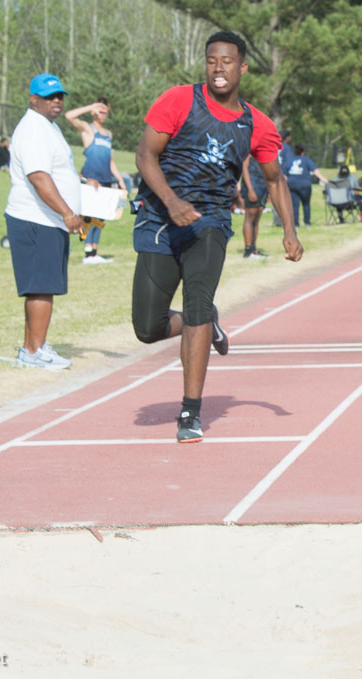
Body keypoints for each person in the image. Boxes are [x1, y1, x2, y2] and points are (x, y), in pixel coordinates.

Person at [131, 31, 303, 444]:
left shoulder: (255, 123)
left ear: (242, 68)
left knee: (195, 306)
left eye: (227, 61)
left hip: (209, 223)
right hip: (160, 219)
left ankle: (190, 411)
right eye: (212, 61)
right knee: (147, 327)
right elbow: (144, 155)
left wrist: (290, 233)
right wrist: (171, 202)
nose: (219, 68)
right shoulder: (178, 100)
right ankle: (209, 323)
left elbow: (274, 179)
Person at [4, 73, 83, 370]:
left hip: (47, 220)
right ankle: (35, 352)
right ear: (33, 99)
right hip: (37, 218)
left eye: (60, 96)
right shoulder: (33, 129)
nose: (57, 102)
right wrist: (67, 212)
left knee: (42, 286)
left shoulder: (47, 127)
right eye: (50, 97)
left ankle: (31, 348)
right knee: (41, 286)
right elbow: (38, 176)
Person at [67, 97, 127, 264]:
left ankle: (94, 252)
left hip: (106, 180)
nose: (101, 115)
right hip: (90, 180)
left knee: (101, 218)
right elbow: (69, 116)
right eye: (99, 111)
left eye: (104, 112)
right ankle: (88, 254)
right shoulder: (88, 129)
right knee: (89, 217)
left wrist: (120, 180)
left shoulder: (108, 134)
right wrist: (89, 107)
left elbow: (111, 161)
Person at [283, 144, 329, 226]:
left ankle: (296, 224)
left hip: (292, 185)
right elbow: (314, 170)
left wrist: (285, 184)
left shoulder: (290, 160)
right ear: (302, 152)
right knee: (306, 204)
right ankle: (307, 222)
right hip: (305, 185)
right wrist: (323, 179)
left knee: (294, 205)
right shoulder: (306, 159)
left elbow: (284, 175)